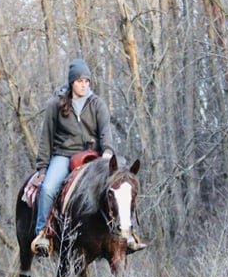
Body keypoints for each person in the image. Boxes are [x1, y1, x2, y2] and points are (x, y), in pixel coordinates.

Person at [30, 58, 145, 256]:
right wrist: (42, 168)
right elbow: (45, 139)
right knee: (48, 188)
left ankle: (127, 232)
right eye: (79, 81)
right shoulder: (55, 105)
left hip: (94, 156)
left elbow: (106, 133)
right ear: (71, 83)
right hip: (64, 155)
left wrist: (107, 152)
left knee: (122, 184)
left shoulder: (97, 104)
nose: (84, 85)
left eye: (86, 81)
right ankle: (43, 234)